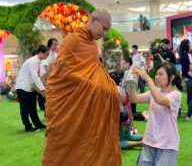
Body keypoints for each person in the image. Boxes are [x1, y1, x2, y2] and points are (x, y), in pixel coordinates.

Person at [42, 9, 121, 165]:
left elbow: (95, 71)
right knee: (65, 146)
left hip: (85, 104)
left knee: (88, 145)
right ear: (92, 20)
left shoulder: (91, 44)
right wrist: (106, 88)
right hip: (66, 106)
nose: (105, 33)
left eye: (107, 30)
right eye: (104, 28)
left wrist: (107, 86)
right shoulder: (73, 40)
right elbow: (67, 74)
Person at [128, 62, 182, 166]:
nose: (157, 77)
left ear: (171, 78)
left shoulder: (175, 95)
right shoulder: (153, 92)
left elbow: (160, 100)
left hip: (167, 145)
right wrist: (132, 83)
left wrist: (147, 78)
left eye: (161, 74)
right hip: (149, 141)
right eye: (156, 74)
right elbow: (133, 99)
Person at [16, 45, 49, 132]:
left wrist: (43, 87)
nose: (47, 56)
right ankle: (28, 126)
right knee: (25, 108)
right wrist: (42, 90)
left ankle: (38, 124)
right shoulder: (32, 61)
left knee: (32, 107)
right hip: (23, 86)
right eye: (46, 54)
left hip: (31, 86)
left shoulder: (39, 62)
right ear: (41, 53)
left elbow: (39, 77)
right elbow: (35, 76)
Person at [179, 39, 192, 121]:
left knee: (190, 96)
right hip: (190, 78)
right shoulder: (187, 55)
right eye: (189, 43)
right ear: (187, 45)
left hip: (186, 78)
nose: (190, 44)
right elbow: (191, 67)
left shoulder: (182, 55)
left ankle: (191, 113)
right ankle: (189, 115)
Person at [37, 38, 59, 111]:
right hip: (45, 75)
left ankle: (46, 108)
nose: (56, 46)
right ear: (50, 44)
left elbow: (55, 65)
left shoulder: (56, 54)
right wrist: (48, 76)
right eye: (54, 44)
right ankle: (43, 107)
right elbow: (45, 65)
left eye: (56, 44)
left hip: (51, 75)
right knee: (43, 92)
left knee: (48, 93)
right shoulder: (47, 53)